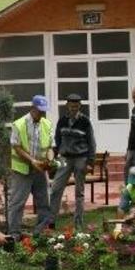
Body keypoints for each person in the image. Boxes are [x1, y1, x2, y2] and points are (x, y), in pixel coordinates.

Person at [8, 95, 53, 238]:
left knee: (44, 202)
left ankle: (42, 232)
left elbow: (50, 147)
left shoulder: (47, 124)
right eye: (40, 111)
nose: (42, 114)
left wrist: (50, 160)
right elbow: (16, 147)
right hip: (23, 171)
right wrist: (32, 161)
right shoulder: (18, 124)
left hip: (40, 170)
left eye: (44, 111)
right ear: (32, 108)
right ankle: (14, 234)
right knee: (17, 203)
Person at [49, 94, 96, 230]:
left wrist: (90, 162)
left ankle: (78, 224)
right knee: (55, 189)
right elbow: (57, 139)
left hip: (80, 158)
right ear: (67, 106)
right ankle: (51, 222)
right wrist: (55, 156)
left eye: (76, 105)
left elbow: (91, 143)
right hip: (64, 158)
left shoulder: (85, 121)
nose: (74, 108)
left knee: (79, 193)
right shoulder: (62, 121)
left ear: (79, 106)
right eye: (71, 105)